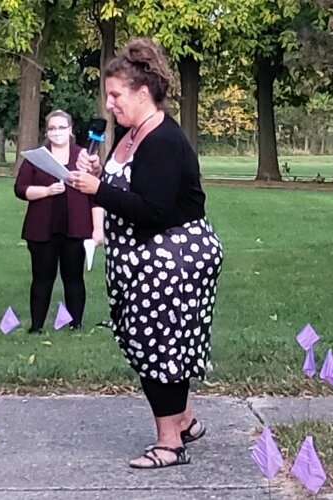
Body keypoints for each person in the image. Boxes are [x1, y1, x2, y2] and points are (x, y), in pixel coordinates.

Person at [70, 38, 223, 469]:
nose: (110, 102)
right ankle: (186, 421)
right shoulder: (129, 132)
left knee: (161, 347)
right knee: (143, 343)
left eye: (116, 94)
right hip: (140, 258)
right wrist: (101, 175)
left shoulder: (163, 141)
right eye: (108, 94)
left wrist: (98, 190)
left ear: (142, 92)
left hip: (172, 257)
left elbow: (153, 210)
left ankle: (169, 443)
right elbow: (132, 190)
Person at [14, 110, 103, 333]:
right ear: (47, 132)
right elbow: (21, 189)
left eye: (61, 127)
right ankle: (36, 327)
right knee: (42, 278)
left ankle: (76, 324)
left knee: (73, 277)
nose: (57, 132)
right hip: (42, 228)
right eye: (52, 128)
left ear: (70, 130)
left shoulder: (83, 157)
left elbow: (96, 195)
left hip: (76, 228)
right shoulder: (37, 158)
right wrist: (46, 191)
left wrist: (98, 229)